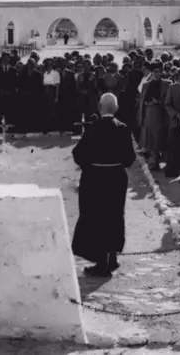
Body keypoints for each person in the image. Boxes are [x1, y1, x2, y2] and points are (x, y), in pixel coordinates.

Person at [71, 92, 137, 277]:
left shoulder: (93, 128)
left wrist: (89, 167)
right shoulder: (123, 128)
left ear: (100, 108)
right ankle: (113, 257)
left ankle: (102, 263)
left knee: (96, 218)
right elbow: (130, 158)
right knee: (114, 216)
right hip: (116, 178)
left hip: (95, 178)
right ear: (116, 109)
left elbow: (78, 154)